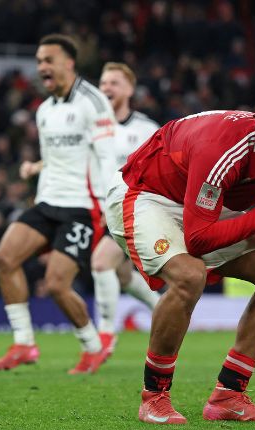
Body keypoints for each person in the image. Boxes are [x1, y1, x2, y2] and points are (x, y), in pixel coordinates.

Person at [104, 84, 255, 423]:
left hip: (201, 206)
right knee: (189, 275)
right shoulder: (225, 146)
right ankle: (154, 397)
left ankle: (228, 396)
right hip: (147, 196)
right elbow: (199, 240)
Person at [0, 34, 117, 374]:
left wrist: (108, 203)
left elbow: (106, 157)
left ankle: (92, 347)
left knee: (57, 283)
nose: (42, 67)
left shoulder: (93, 101)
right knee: (4, 258)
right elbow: (58, 159)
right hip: (48, 202)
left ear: (68, 63)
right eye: (39, 61)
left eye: (48, 60)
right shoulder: (45, 111)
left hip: (83, 207)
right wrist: (36, 173)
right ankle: (24, 344)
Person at [91, 62, 161, 357]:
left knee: (101, 263)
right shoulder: (92, 127)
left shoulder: (146, 129)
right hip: (100, 210)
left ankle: (106, 333)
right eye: (104, 82)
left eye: (114, 83)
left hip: (134, 207)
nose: (107, 88)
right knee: (119, 274)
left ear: (130, 89)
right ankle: (164, 308)